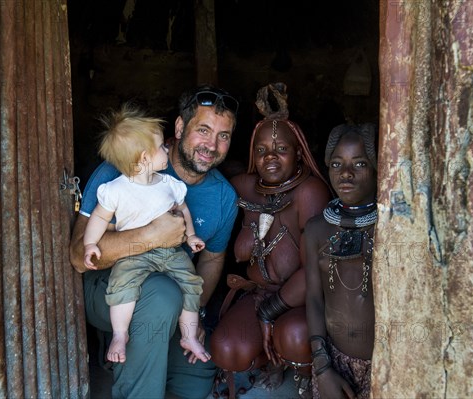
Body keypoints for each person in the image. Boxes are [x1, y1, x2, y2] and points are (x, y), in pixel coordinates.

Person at [69, 85, 240, 398]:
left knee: (198, 369)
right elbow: (80, 256)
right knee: (161, 295)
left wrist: (194, 313)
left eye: (223, 135)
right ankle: (120, 342)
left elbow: (213, 258)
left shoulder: (224, 196)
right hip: (112, 289)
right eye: (203, 130)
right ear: (179, 127)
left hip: (172, 288)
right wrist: (150, 237)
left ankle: (144, 349)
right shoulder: (123, 168)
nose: (211, 145)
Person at [209, 83, 331, 398]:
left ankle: (301, 370)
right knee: (226, 348)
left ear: (299, 153)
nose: (270, 158)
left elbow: (315, 271)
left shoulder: (309, 192)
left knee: (293, 334)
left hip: (299, 300)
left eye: (281, 150)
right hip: (257, 293)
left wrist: (270, 311)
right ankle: (268, 357)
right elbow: (207, 180)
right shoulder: (246, 187)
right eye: (261, 150)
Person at [81, 104, 210, 365]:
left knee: (191, 282)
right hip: (135, 254)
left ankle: (189, 335)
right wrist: (90, 244)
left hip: (170, 252)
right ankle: (119, 334)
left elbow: (183, 208)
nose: (167, 150)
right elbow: (99, 218)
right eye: (162, 147)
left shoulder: (169, 185)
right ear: (143, 159)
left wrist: (191, 236)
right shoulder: (115, 189)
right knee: (123, 283)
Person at [304, 123, 378, 399]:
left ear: (376, 168)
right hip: (334, 362)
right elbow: (313, 298)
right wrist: (323, 368)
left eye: (359, 163)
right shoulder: (316, 230)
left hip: (386, 362)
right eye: (337, 164)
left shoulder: (392, 227)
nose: (345, 173)